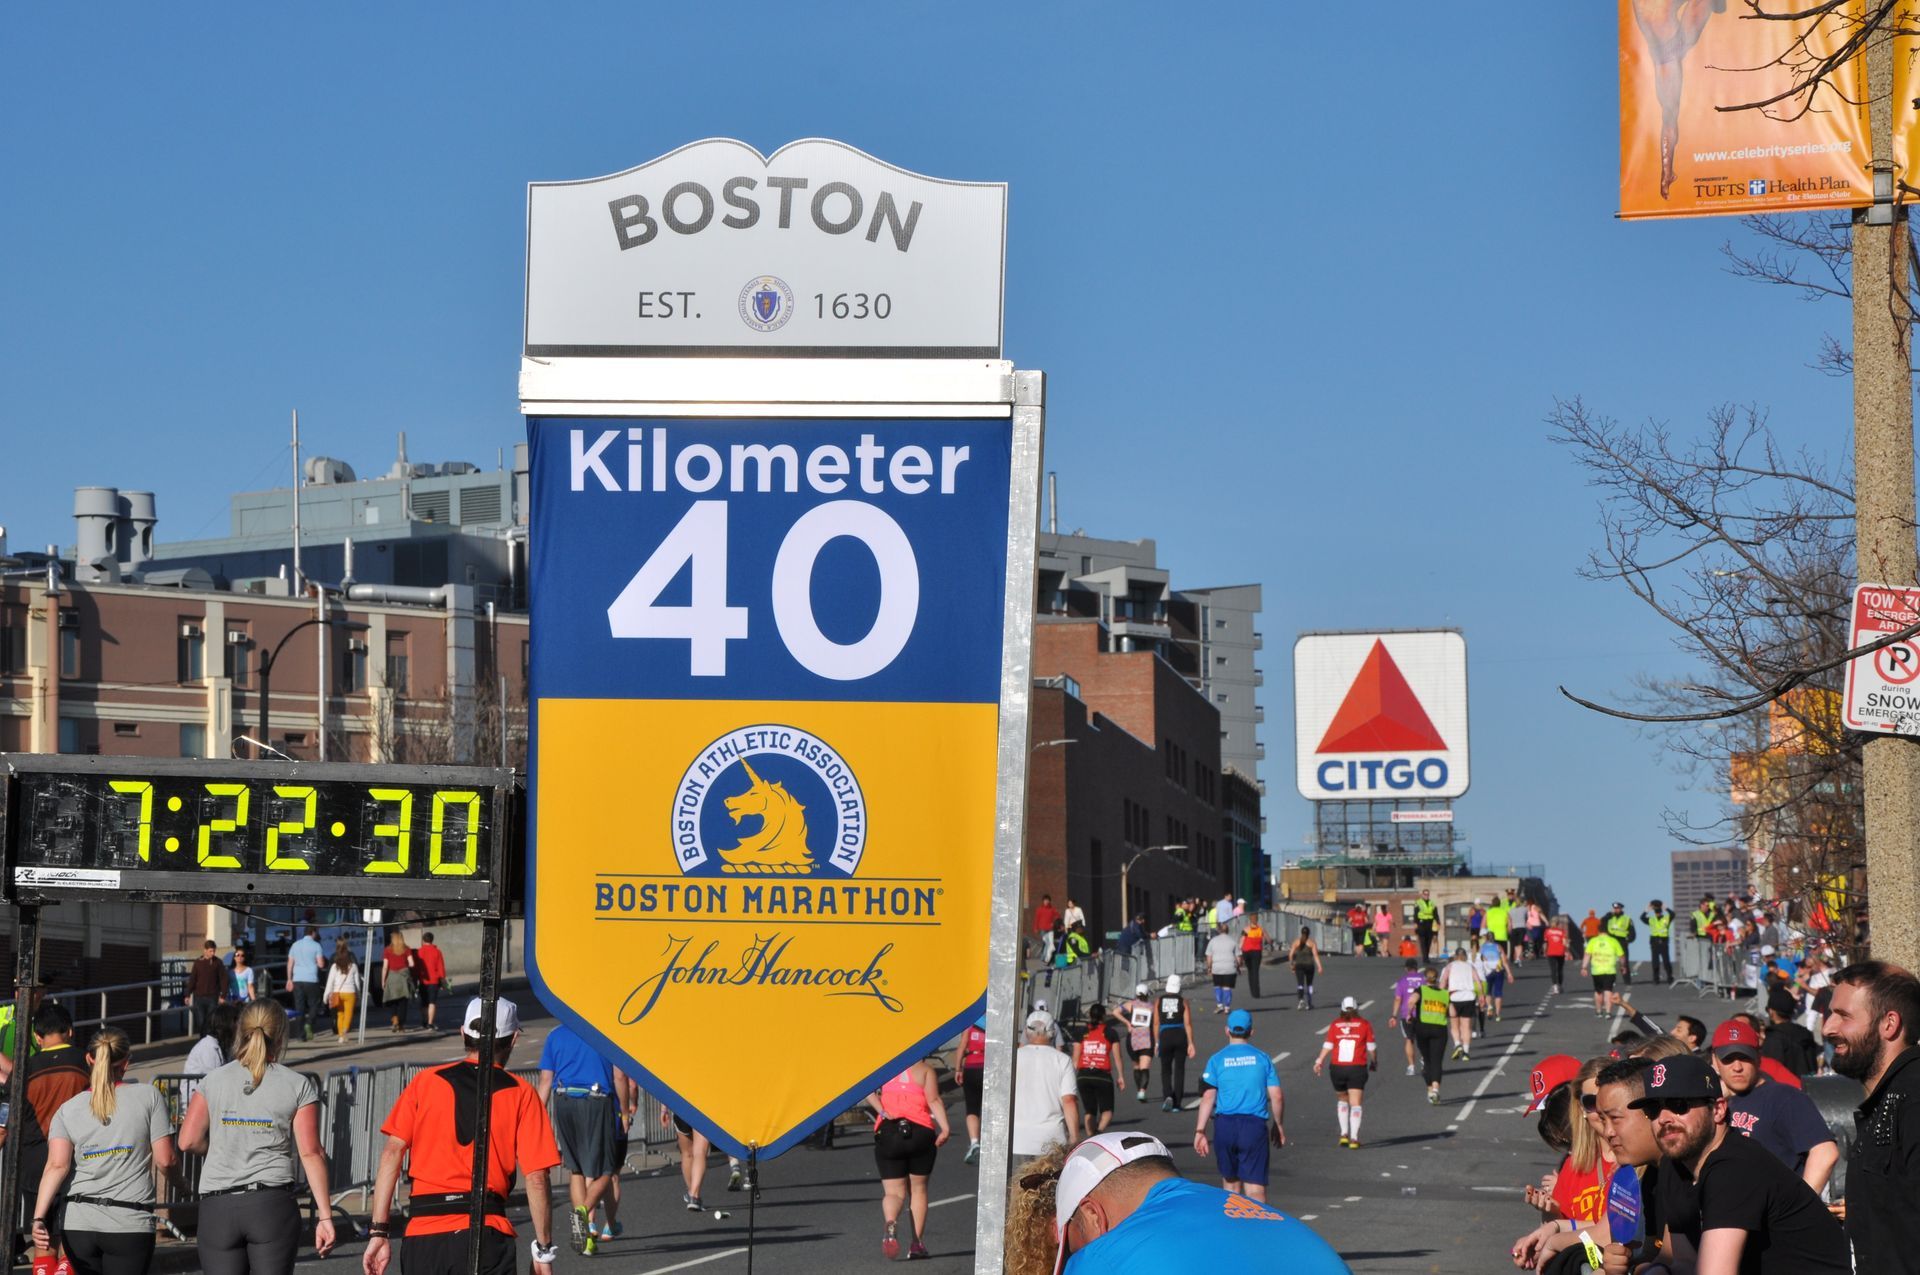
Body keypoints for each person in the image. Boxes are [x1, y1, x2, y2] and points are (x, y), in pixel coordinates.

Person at [364, 997, 558, 1275]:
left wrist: (379, 1232)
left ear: (463, 1034)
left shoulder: (425, 1082)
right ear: (514, 1039)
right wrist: (543, 1249)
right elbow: (537, 1177)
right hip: (485, 1231)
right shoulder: (522, 1093)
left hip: (424, 1234)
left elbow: (391, 1153)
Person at [1638, 1053, 1849, 1272]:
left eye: (1678, 1105)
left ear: (1718, 1110)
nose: (1663, 1119)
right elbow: (1685, 1262)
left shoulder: (1735, 1167)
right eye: (1653, 1110)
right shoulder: (1676, 1164)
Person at [1038, 1130, 1347, 1275]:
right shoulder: (1287, 1227)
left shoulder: (1102, 1262)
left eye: (1074, 1247)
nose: (1075, 1258)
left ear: (1092, 1215)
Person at [179, 1000, 334, 1275]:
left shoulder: (213, 1080)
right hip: (271, 1204)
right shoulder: (297, 1084)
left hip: (218, 1206)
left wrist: (220, 1147)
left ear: (241, 1030)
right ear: (282, 1034)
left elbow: (187, 1140)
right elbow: (311, 1153)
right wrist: (325, 1216)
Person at [30, 1027, 177, 1275]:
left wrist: (38, 1218)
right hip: (128, 1221)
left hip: (78, 1223)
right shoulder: (149, 1096)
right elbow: (166, 1160)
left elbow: (57, 1166)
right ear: (127, 1062)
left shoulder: (68, 1109)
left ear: (89, 1059)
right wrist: (182, 1185)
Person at [1824, 960, 1920, 1271]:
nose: (1827, 1028)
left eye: (1844, 1016)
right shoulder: (1888, 1100)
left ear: (1889, 1024)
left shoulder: (1913, 1097)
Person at [1706, 1017, 1837, 1193]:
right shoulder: (1710, 1101)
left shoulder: (1784, 1097)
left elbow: (1825, 1153)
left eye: (1744, 1057)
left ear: (1759, 1058)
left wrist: (1802, 1207)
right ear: (1714, 1061)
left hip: (1774, 1211)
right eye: (1728, 1059)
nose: (1737, 1067)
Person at [14, 1003, 92, 1258]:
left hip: (36, 1164)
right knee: (72, 1242)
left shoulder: (25, 1069)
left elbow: (9, 1118)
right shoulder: (87, 1064)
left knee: (42, 1240)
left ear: (37, 1037)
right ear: (70, 1031)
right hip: (79, 1163)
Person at [536, 1023, 619, 1257]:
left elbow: (545, 1080)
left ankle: (584, 1241)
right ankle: (582, 1214)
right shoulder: (603, 1032)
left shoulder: (556, 1035)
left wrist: (535, 1118)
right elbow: (620, 1076)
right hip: (596, 1100)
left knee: (576, 1169)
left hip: (563, 1099)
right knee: (605, 1170)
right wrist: (624, 1109)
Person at [1192, 1009, 1284, 1201]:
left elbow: (1208, 1096)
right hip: (1253, 1126)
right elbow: (1276, 1096)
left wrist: (1200, 1131)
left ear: (1227, 1031)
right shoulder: (1262, 1058)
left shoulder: (1216, 1059)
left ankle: (1234, 1228)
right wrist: (1278, 1125)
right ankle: (1258, 1229)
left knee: (1231, 1187)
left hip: (1225, 1125)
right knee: (1255, 1188)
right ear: (1251, 1032)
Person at [865, 1054, 949, 1259]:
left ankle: (891, 1222)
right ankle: (917, 1244)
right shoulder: (925, 1069)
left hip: (889, 1131)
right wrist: (945, 1128)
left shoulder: (884, 1065)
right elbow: (934, 1100)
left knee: (894, 1192)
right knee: (918, 1190)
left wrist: (883, 1112)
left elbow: (866, 1089)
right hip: (920, 1132)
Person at [1013, 1010, 1080, 1158]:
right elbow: (1069, 1100)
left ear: (1026, 1031)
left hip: (1016, 1138)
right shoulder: (1062, 1060)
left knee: (1016, 1180)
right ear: (1052, 1032)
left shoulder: (1013, 1058)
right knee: (1048, 1180)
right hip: (1051, 1139)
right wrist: (1074, 1137)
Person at [1312, 996, 1375, 1149]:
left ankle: (1343, 1134)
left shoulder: (1335, 1024)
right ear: (1356, 1009)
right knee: (1356, 1103)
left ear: (1341, 1009)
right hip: (1356, 1068)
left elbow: (1328, 1044)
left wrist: (1319, 1060)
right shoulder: (1364, 1024)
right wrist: (1374, 1061)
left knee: (1342, 1099)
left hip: (1337, 1068)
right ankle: (1354, 1138)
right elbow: (1371, 1047)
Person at [1073, 1005, 1122, 1135]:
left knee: (1090, 1111)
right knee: (1107, 1111)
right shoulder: (1110, 1033)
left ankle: (1090, 1138)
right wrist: (1120, 1076)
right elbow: (1117, 1057)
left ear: (1090, 1015)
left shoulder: (1081, 1032)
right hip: (1102, 1076)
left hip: (1083, 1075)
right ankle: (1098, 1132)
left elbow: (1075, 1058)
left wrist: (1073, 1077)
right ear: (1104, 1016)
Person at [1150, 976, 1195, 1113]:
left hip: (1165, 1035)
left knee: (1166, 1069)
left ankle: (1168, 1095)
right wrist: (1191, 1043)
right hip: (1180, 1034)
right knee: (1179, 1070)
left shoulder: (1159, 1001)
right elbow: (1187, 1024)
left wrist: (1157, 1042)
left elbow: (1156, 1023)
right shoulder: (1183, 1001)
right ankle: (1177, 1103)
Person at [184, 1002, 240, 1104]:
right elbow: (216, 1082)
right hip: (197, 1103)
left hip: (207, 1101)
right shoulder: (209, 1048)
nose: (238, 1026)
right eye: (236, 1021)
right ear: (227, 1024)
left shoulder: (224, 1047)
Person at [661, 1106, 713, 1211]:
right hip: (702, 1107)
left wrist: (664, 1109)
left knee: (687, 1154)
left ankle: (691, 1193)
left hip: (682, 1107)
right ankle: (694, 1195)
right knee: (699, 1152)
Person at [952, 1014, 988, 1161]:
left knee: (972, 1108)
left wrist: (957, 1069)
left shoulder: (970, 1024)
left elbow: (962, 1046)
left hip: (971, 1067)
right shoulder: (995, 1024)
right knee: (990, 1107)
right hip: (989, 1066)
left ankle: (974, 1142)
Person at [1413, 966, 1450, 1105]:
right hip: (1439, 1029)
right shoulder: (1445, 994)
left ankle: (1429, 1090)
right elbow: (1450, 1012)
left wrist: (1409, 1015)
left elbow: (1411, 1001)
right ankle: (1435, 1090)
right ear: (1437, 978)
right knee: (1436, 1061)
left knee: (1426, 1060)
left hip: (1422, 1028)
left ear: (1425, 978)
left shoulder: (1421, 990)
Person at [284, 926, 325, 1042]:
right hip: (311, 979)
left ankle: (300, 1035)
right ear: (313, 932)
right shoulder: (317, 946)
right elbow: (321, 964)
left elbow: (290, 963)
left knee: (299, 1007)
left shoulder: (295, 945)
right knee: (314, 1004)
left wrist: (289, 979)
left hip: (297, 979)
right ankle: (309, 1022)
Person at [1117, 985, 1155, 1106]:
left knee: (1136, 1066)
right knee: (1145, 1067)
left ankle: (1139, 1090)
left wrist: (1127, 1023)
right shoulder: (1151, 1007)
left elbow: (1115, 1012)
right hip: (1146, 1037)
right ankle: (1142, 1091)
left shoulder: (1131, 1004)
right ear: (1147, 994)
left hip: (1133, 1037)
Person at [1440, 947, 1477, 1061]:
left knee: (1454, 1024)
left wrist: (1441, 996)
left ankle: (1457, 1044)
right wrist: (1481, 996)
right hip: (1468, 997)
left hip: (1454, 997)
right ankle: (1466, 1052)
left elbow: (1443, 982)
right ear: (1465, 956)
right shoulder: (1470, 966)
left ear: (1455, 956)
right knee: (1466, 1026)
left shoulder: (1450, 966)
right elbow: (1478, 981)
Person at [1390, 958, 1424, 1078]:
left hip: (1406, 1014)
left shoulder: (1402, 981)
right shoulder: (1423, 979)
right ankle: (1424, 1059)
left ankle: (1411, 1066)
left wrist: (1394, 1015)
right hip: (1422, 1014)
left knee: (1409, 1040)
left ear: (1406, 968)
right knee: (1422, 1038)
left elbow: (1398, 999)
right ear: (1416, 967)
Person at [1583, 922, 1625, 1019]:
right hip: (1609, 970)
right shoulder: (1613, 941)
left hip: (1596, 970)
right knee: (1608, 990)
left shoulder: (1593, 941)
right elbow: (1621, 955)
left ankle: (1598, 1011)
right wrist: (1623, 966)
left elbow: (1587, 955)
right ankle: (1608, 1012)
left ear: (1598, 930)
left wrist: (1584, 967)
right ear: (1608, 930)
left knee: (1598, 991)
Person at [186, 940, 226, 1037]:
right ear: (205, 950)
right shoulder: (198, 963)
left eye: (214, 951)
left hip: (212, 996)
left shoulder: (218, 963)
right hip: (199, 997)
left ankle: (210, 1041)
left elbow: (223, 979)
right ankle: (202, 1041)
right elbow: (192, 979)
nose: (212, 953)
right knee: (201, 1022)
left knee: (211, 1021)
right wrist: (187, 994)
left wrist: (223, 995)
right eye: (210, 951)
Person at [324, 946, 362, 1038]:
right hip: (350, 993)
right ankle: (345, 1030)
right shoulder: (353, 966)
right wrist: (359, 995)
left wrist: (325, 996)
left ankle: (341, 1036)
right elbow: (357, 983)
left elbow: (330, 982)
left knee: (340, 1014)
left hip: (338, 993)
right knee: (348, 1013)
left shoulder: (334, 966)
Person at [381, 931, 415, 1032]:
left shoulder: (387, 950)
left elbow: (385, 967)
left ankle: (394, 1019)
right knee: (403, 1003)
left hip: (391, 978)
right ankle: (401, 1024)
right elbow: (412, 963)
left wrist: (383, 981)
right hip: (403, 978)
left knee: (392, 1001)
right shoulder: (406, 949)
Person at [414, 931, 448, 1032]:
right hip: (434, 981)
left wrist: (416, 978)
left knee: (423, 1002)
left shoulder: (419, 952)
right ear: (432, 940)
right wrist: (443, 980)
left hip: (423, 980)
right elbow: (441, 967)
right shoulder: (437, 952)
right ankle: (430, 1023)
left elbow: (416, 967)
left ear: (423, 940)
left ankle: (424, 1021)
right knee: (432, 1002)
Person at [1204, 925, 1241, 1014]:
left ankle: (1219, 1005)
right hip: (1229, 967)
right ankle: (1227, 1008)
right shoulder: (1233, 941)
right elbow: (1238, 957)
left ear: (1219, 930)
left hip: (1217, 967)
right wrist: (1238, 967)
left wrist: (1209, 967)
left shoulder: (1213, 941)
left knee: (1217, 986)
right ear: (1228, 930)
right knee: (1227, 987)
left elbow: (1209, 956)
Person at [1286, 926, 1321, 1012]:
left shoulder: (1296, 942)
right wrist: (1320, 966)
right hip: (1309, 966)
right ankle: (1309, 1002)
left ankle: (1301, 1000)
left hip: (1299, 965)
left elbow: (1290, 955)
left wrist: (1292, 965)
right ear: (1309, 934)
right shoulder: (1312, 943)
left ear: (1301, 933)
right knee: (1309, 984)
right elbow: (1315, 956)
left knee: (1300, 984)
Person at [1641, 900, 1674, 984]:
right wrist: (1647, 909)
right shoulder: (1651, 919)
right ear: (1654, 912)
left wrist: (1665, 907)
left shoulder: (1666, 918)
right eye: (1656, 912)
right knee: (1655, 962)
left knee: (1666, 961)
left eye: (1659, 912)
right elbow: (1642, 918)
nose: (1658, 913)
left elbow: (1673, 914)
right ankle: (1656, 979)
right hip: (1654, 942)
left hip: (1663, 942)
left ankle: (1670, 977)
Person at [1604, 902, 1636, 987]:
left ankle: (1627, 981)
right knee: (1610, 961)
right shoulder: (1609, 918)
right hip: (1612, 941)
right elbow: (1602, 924)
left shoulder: (1627, 919)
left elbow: (1632, 933)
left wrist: (1628, 940)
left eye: (1618, 908)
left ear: (1621, 909)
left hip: (1622, 942)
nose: (1616, 910)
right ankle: (1611, 981)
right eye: (1615, 908)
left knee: (1624, 962)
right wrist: (1607, 915)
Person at [1239, 918, 1266, 999]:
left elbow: (1242, 940)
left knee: (1250, 970)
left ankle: (1252, 990)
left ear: (1250, 920)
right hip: (1257, 952)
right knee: (1255, 971)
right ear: (1257, 920)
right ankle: (1256, 992)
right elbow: (1268, 938)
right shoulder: (1261, 929)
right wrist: (1269, 943)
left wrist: (1239, 952)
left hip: (1247, 952)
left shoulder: (1246, 929)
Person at [1543, 917, 1568, 994]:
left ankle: (1555, 987)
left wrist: (1544, 951)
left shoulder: (1547, 931)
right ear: (1558, 924)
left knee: (1553, 970)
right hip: (1560, 952)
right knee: (1560, 969)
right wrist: (1566, 951)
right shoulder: (1562, 932)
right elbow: (1564, 943)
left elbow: (1545, 943)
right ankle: (1560, 985)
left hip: (1551, 952)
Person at [1413, 889, 1439, 961]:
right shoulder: (1418, 903)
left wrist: (1438, 922)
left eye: (1428, 894)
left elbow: (1435, 914)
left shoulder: (1432, 903)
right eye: (1425, 894)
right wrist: (1415, 923)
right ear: (1422, 895)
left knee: (1429, 940)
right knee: (1423, 941)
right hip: (1421, 923)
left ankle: (1426, 955)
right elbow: (1415, 914)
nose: (1426, 896)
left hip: (1430, 923)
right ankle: (1425, 957)